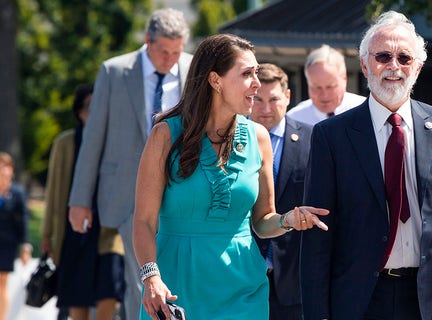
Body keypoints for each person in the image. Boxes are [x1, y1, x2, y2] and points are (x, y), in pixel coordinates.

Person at [300, 10, 432, 320]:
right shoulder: (331, 136)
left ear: (418, 69)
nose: (393, 66)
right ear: (365, 66)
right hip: (360, 300)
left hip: (431, 300)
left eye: (404, 58)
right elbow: (318, 232)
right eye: (383, 56)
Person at [132, 34, 328, 320]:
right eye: (247, 74)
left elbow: (262, 221)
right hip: (176, 286)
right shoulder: (165, 134)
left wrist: (288, 220)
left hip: (243, 289)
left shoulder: (258, 137)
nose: (257, 84)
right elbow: (144, 221)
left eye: (257, 73)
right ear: (216, 80)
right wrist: (151, 278)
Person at [66, 8, 192, 320]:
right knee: (141, 281)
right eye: (163, 51)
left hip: (182, 191)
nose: (170, 59)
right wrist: (79, 200)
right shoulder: (114, 72)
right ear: (147, 40)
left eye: (176, 51)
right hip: (126, 194)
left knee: (176, 277)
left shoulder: (193, 68)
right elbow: (93, 138)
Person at [41, 84, 125, 320]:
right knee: (77, 298)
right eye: (91, 106)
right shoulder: (65, 143)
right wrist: (47, 234)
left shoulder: (116, 142)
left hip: (109, 232)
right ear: (79, 112)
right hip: (74, 233)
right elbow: (54, 191)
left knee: (109, 290)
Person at [250, 63, 312, 319]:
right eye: (258, 100)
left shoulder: (313, 140)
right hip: (243, 274)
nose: (265, 109)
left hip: (294, 281)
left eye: (273, 99)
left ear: (287, 97)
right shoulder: (230, 140)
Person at [286, 44, 365, 125]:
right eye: (317, 87)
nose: (324, 95)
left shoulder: (367, 112)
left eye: (330, 87)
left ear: (344, 79)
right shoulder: (294, 120)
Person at [0, 151, 29, 320]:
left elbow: (23, 220)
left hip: (6, 244)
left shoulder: (17, 193)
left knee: (2, 282)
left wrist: (25, 245)